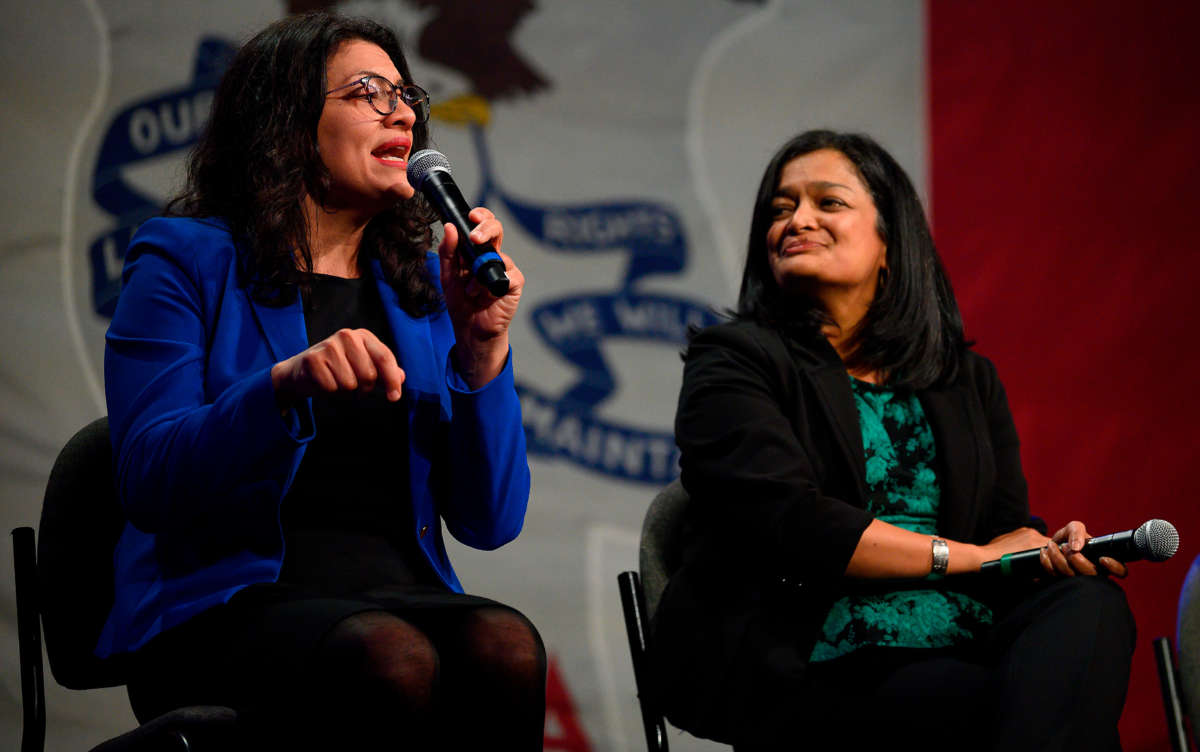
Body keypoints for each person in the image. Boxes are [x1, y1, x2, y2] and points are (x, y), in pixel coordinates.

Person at [97, 12, 544, 749]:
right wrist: (281, 388)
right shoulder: (184, 261)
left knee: (505, 643)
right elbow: (148, 475)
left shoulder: (428, 288)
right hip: (224, 606)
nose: (400, 111)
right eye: (365, 91)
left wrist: (481, 349)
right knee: (390, 655)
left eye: (404, 94)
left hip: (400, 594)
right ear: (287, 121)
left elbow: (490, 521)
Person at [652, 130, 1135, 750]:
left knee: (1089, 605)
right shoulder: (734, 361)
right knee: (1007, 714)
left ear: (889, 242)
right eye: (780, 208)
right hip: (808, 649)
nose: (797, 219)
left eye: (828, 202)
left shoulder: (965, 380)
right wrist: (977, 558)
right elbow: (793, 524)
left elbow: (1002, 528)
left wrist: (1040, 552)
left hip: (966, 632)